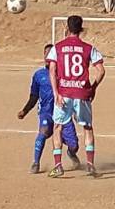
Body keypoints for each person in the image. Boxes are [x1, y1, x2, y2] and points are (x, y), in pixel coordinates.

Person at [46, 15, 105, 178]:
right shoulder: (88, 48)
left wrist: (56, 93)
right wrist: (92, 88)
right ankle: (91, 164)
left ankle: (58, 165)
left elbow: (52, 71)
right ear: (81, 29)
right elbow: (101, 70)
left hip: (64, 94)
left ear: (67, 27)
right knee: (87, 128)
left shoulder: (57, 48)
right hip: (82, 93)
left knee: (57, 127)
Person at [17, 44, 81, 174]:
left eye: (50, 53)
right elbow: (34, 96)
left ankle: (71, 153)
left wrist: (75, 111)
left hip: (63, 112)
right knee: (43, 132)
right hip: (46, 113)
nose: (47, 56)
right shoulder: (38, 75)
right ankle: (36, 163)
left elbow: (72, 93)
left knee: (74, 145)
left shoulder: (64, 73)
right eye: (45, 53)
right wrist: (25, 110)